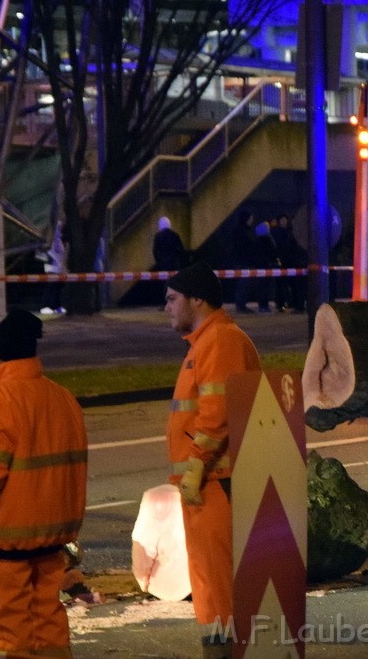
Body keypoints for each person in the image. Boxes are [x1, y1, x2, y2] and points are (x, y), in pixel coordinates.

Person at [0, 309, 88, 657]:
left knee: (10, 621)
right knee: (49, 615)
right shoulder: (63, 397)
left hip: (8, 536)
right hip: (52, 534)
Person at [162, 261, 261, 658]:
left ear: (197, 299)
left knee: (218, 584)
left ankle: (222, 655)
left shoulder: (219, 340)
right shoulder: (210, 340)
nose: (166, 307)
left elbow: (217, 410)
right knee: (210, 582)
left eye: (172, 299)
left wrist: (198, 462)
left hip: (217, 481)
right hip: (211, 482)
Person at [271, 213, 307, 313]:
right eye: (282, 220)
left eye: (285, 219)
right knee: (282, 285)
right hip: (285, 262)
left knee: (295, 285)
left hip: (293, 262)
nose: (284, 221)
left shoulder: (292, 233)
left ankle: (296, 304)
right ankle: (283, 303)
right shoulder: (278, 233)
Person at [230, 210, 257, 313]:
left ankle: (241, 304)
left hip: (244, 260)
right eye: (250, 218)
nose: (251, 220)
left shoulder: (245, 230)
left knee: (244, 283)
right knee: (243, 283)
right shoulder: (242, 231)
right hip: (242, 261)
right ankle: (241, 305)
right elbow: (243, 247)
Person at [252, 221, 280, 313]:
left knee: (261, 287)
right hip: (266, 266)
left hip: (260, 266)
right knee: (265, 287)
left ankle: (262, 305)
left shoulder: (257, 240)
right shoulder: (267, 240)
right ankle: (264, 306)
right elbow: (273, 252)